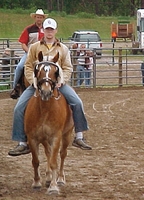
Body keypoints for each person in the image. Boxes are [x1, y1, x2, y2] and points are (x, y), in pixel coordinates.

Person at [8, 18, 92, 157]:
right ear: (43, 31)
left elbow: (67, 67)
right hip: (38, 84)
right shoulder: (35, 47)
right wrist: (32, 81)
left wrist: (62, 81)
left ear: (55, 31)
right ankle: (22, 143)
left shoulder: (63, 48)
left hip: (57, 84)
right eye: (47, 29)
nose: (49, 32)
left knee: (77, 102)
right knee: (18, 108)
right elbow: (28, 66)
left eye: (51, 29)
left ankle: (79, 136)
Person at [10, 9, 48, 99]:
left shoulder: (46, 29)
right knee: (20, 67)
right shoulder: (29, 29)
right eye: (37, 17)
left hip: (44, 54)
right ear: (35, 18)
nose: (39, 19)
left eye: (41, 17)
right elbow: (23, 43)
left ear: (43, 18)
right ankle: (16, 87)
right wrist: (29, 52)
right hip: (30, 53)